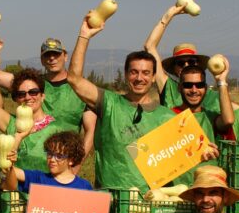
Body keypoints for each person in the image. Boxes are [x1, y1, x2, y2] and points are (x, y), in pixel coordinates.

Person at [66, 11, 193, 190]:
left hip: (149, 201)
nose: (139, 78)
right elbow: (74, 79)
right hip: (110, 197)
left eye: (146, 73)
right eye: (134, 72)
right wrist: (84, 36)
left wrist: (203, 151)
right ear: (125, 75)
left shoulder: (167, 117)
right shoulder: (108, 103)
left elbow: (185, 155)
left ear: (153, 77)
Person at [0, 31, 96, 160]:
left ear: (65, 56)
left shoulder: (82, 89)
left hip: (65, 160)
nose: (52, 58)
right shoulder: (33, 86)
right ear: (42, 60)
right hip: (31, 155)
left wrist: (77, 163)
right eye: (47, 55)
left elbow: (90, 131)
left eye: (56, 54)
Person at [0, 37, 69, 172]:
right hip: (13, 185)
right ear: (16, 99)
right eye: (21, 94)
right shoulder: (10, 123)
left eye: (33, 92)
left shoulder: (56, 129)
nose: (27, 97)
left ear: (42, 96)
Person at [142, 0, 222, 114]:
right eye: (180, 63)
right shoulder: (168, 87)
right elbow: (149, 46)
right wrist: (168, 16)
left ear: (198, 65)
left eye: (191, 61)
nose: (186, 65)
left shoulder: (213, 96)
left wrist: (222, 82)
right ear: (174, 69)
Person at [168, 62, 235, 187]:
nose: (194, 90)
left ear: (205, 88)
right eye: (188, 85)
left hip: (207, 189)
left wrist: (221, 82)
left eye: (199, 85)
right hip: (177, 190)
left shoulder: (210, 117)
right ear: (179, 88)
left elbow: (229, 120)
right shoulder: (168, 116)